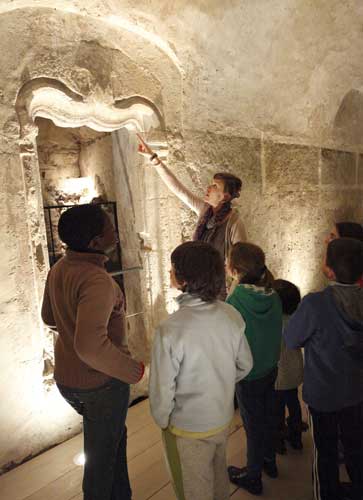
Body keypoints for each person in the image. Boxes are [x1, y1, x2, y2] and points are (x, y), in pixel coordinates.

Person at [41, 204, 144, 500]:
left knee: (112, 443)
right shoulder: (97, 279)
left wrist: (73, 323)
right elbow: (90, 346)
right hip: (100, 383)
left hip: (68, 378)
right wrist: (132, 370)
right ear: (96, 242)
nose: (116, 229)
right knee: (100, 463)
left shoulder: (60, 268)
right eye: (110, 226)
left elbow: (49, 317)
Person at [149, 241, 253, 500]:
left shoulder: (170, 330)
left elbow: (162, 387)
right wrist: (220, 382)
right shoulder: (230, 315)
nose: (170, 273)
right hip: (220, 418)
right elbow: (245, 364)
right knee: (218, 480)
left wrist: (163, 420)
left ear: (182, 279)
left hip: (186, 428)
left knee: (193, 489)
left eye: (172, 269)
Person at [284, 238, 363, 500]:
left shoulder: (314, 304)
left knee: (325, 453)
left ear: (328, 269)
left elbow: (292, 339)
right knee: (356, 448)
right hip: (357, 391)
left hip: (323, 395)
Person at [137, 134, 247, 297]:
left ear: (225, 196)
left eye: (215, 186)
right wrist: (154, 160)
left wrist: (232, 295)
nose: (209, 188)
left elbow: (242, 263)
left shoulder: (234, 222)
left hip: (220, 289)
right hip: (198, 284)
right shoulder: (205, 211)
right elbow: (178, 189)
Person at [226, 242, 282, 496]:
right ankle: (269, 460)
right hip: (270, 366)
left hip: (248, 374)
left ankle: (253, 474)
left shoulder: (236, 300)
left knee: (253, 425)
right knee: (269, 416)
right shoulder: (273, 294)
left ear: (233, 269)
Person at [272, 279, 304, 454]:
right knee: (294, 404)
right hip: (294, 372)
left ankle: (278, 442)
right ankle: (296, 437)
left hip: (278, 375)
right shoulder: (297, 320)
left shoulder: (273, 322)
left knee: (277, 410)